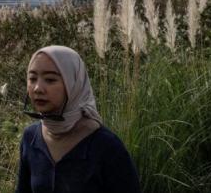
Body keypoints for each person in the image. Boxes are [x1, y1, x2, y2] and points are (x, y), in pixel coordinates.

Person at [15, 45, 140, 193]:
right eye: (32, 78)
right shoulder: (31, 137)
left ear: (73, 83)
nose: (37, 88)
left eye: (50, 79)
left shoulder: (106, 147)